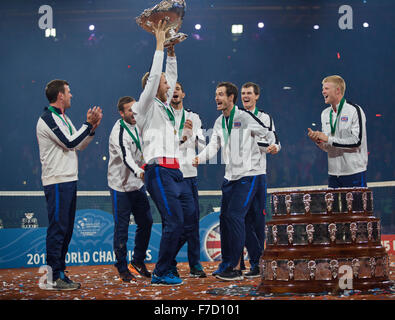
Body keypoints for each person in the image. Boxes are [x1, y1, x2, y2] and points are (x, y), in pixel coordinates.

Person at [131, 20, 195, 286]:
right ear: (155, 84)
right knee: (174, 222)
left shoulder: (166, 108)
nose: (170, 86)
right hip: (158, 172)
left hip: (176, 171)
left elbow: (171, 75)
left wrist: (171, 52)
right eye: (165, 83)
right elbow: (158, 75)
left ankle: (166, 264)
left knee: (188, 223)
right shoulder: (144, 105)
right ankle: (161, 271)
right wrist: (158, 44)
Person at [193, 82, 272, 281]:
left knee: (236, 217)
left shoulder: (244, 117)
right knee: (225, 219)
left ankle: (236, 267)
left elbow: (269, 134)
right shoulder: (220, 121)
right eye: (215, 94)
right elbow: (214, 146)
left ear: (231, 98)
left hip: (249, 175)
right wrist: (198, 159)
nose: (216, 98)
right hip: (230, 176)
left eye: (220, 94)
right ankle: (227, 264)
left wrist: (270, 146)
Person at [36, 79, 102, 290]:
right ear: (60, 96)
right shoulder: (47, 118)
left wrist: (90, 130)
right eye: (69, 91)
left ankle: (60, 273)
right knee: (58, 229)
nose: (71, 95)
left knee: (66, 230)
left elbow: (79, 145)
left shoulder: (63, 118)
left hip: (69, 179)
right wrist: (87, 124)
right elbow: (70, 142)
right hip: (56, 181)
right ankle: (52, 276)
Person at [107, 96, 153, 283]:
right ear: (121, 113)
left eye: (135, 109)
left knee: (147, 222)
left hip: (138, 185)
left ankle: (138, 260)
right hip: (121, 186)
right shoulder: (118, 132)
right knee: (122, 228)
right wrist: (139, 172)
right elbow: (126, 157)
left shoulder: (141, 124)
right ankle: (122, 267)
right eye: (129, 110)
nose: (134, 113)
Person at [239, 82, 281, 278]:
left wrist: (274, 148)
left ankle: (257, 263)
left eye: (249, 93)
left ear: (257, 96)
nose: (245, 96)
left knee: (257, 220)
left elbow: (275, 141)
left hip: (258, 174)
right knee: (241, 219)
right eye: (243, 93)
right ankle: (253, 259)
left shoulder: (265, 117)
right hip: (240, 174)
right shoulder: (236, 116)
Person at [168, 81, 207, 278]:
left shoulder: (194, 117)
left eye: (178, 89)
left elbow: (202, 144)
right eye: (171, 89)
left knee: (192, 223)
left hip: (189, 175)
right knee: (175, 223)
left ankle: (195, 264)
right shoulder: (164, 116)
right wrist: (181, 136)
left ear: (184, 94)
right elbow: (163, 146)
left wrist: (191, 135)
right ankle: (169, 262)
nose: (175, 92)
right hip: (171, 174)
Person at [307, 75, 368, 188]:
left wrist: (327, 138)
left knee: (356, 206)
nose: (323, 91)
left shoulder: (354, 110)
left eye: (326, 88)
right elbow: (329, 147)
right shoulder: (325, 114)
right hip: (333, 174)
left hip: (354, 173)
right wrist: (318, 141)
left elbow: (357, 141)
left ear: (337, 90)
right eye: (323, 89)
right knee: (334, 206)